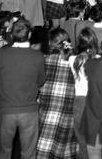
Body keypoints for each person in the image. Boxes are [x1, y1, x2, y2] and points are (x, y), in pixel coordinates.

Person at [0, 18, 45, 159]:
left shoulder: (2, 54)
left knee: (3, 152)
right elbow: (41, 81)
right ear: (29, 35)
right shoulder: (37, 56)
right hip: (29, 110)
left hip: (6, 110)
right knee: (28, 153)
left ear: (11, 35)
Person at [37, 28, 77, 159]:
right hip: (69, 108)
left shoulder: (43, 59)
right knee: (66, 148)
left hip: (47, 107)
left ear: (50, 42)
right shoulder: (76, 61)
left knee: (44, 146)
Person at [69, 28, 99, 159]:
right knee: (96, 143)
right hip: (95, 101)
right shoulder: (99, 60)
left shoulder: (72, 59)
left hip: (79, 101)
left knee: (81, 142)